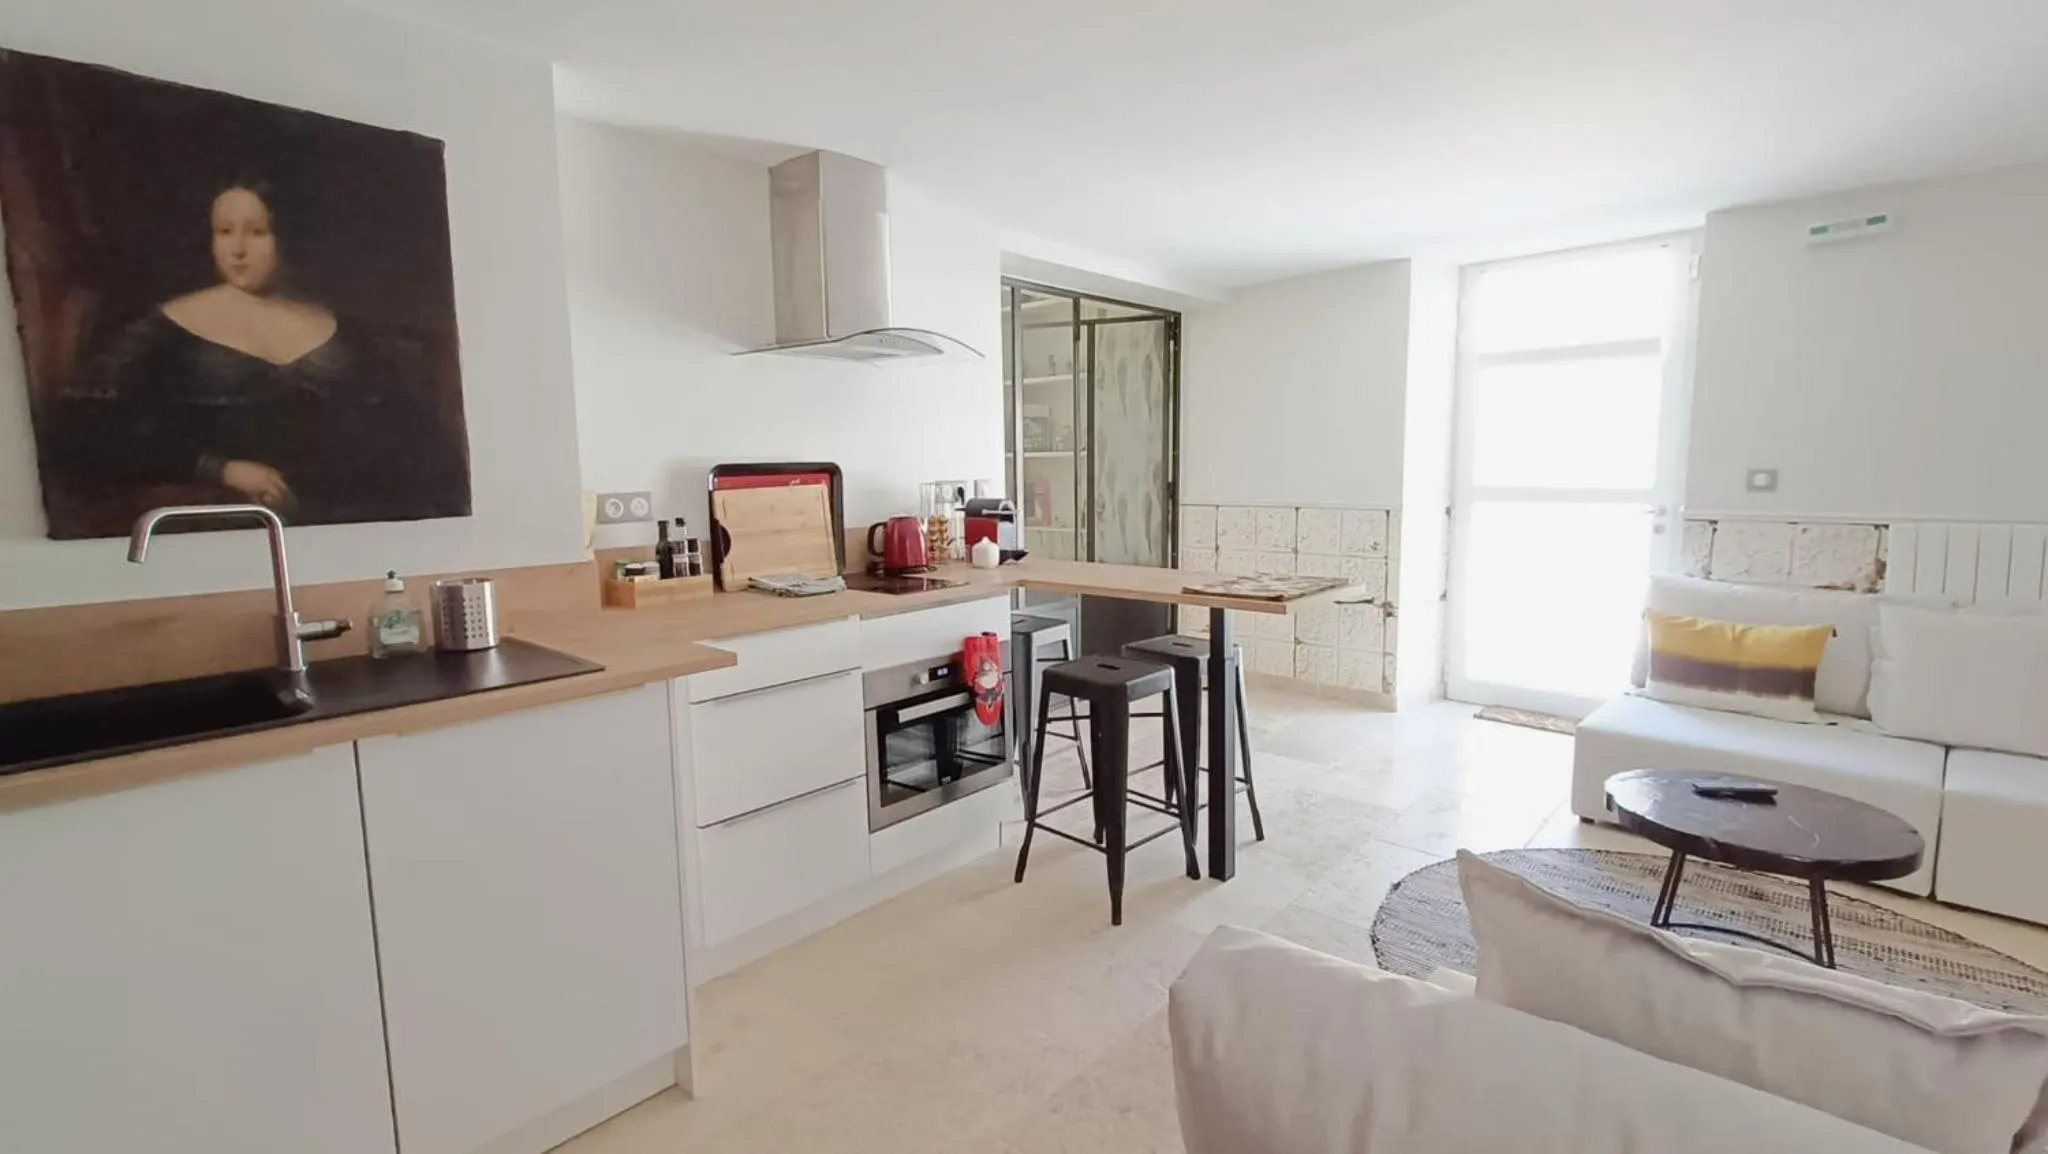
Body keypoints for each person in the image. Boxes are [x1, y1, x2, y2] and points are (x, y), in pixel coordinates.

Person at [42, 178, 469, 536]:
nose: (238, 250)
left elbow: (417, 439)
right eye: (224, 232)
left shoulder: (350, 332)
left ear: (287, 237)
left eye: (257, 232)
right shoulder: (165, 327)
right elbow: (85, 432)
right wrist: (219, 468)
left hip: (346, 526)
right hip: (226, 531)